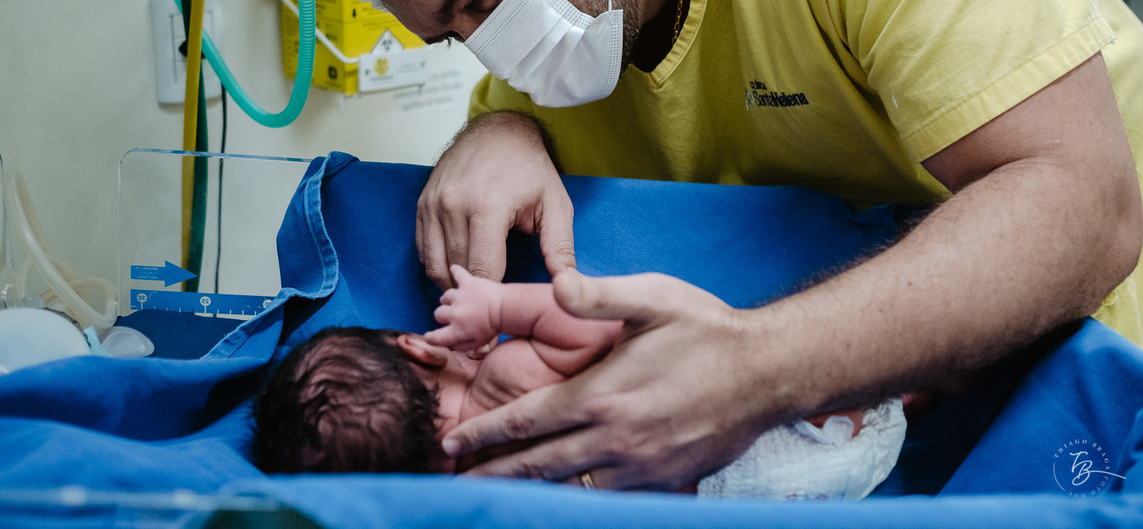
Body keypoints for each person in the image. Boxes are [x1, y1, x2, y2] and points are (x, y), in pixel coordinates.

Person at [330, 0, 1143, 492]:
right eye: (452, 37)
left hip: (1079, 342)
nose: (491, 51)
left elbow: (1083, 207)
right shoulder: (571, 11)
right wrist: (494, 131)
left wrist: (755, 372)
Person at [252, 266, 907, 500]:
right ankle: (919, 390)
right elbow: (589, 327)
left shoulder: (473, 482)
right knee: (876, 398)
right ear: (420, 349)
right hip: (758, 444)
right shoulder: (505, 374)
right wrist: (500, 307)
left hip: (752, 491)